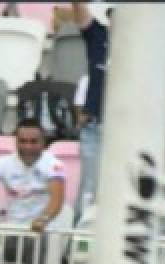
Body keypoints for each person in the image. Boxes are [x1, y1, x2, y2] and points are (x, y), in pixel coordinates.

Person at [71, 1, 110, 216]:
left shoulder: (142, 48)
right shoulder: (100, 37)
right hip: (96, 123)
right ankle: (77, 240)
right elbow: (81, 15)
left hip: (126, 128)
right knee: (88, 189)